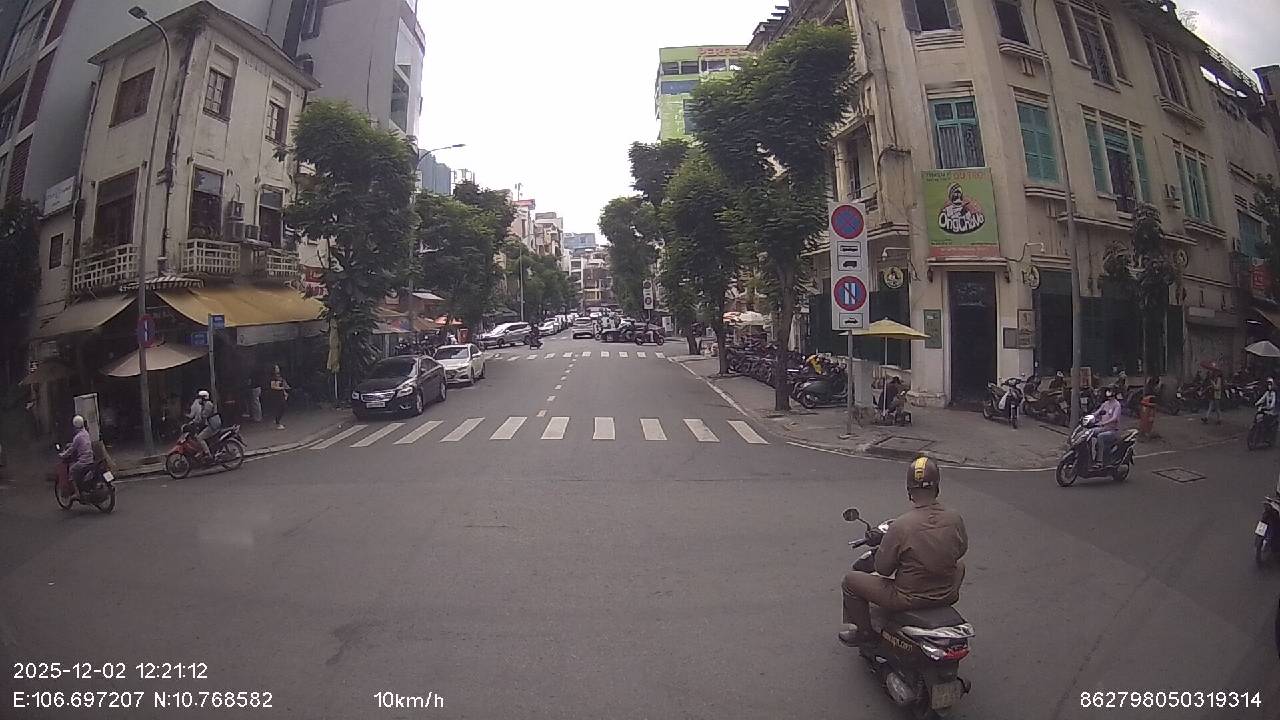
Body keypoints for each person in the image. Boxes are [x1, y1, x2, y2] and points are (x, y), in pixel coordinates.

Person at [838, 457, 968, 647]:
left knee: (850, 581)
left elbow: (882, 569)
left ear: (909, 490)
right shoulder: (954, 518)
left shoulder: (902, 525)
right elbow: (961, 550)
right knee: (959, 565)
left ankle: (864, 633)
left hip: (908, 598)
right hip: (947, 592)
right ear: (937, 486)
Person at [59, 415, 95, 493]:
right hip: (90, 458)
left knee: (71, 471)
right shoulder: (86, 433)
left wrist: (63, 455)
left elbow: (71, 450)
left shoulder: (77, 437)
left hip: (83, 461)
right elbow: (77, 444)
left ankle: (77, 493)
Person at [1092, 388, 1122, 466]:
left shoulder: (1117, 405)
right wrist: (1088, 417)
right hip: (1103, 428)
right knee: (1089, 432)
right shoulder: (1105, 404)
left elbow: (1114, 418)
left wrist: (1104, 423)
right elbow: (1097, 412)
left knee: (1100, 436)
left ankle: (1100, 461)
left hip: (1112, 430)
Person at [188, 390, 222, 459]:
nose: (198, 400)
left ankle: (208, 454)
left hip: (212, 426)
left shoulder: (208, 405)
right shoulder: (205, 404)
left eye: (200, 398)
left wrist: (195, 422)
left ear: (204, 398)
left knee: (199, 438)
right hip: (210, 424)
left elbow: (203, 416)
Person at [268, 365, 290, 430]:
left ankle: (277, 420)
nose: (278, 369)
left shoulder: (279, 376)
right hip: (276, 394)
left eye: (278, 368)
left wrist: (284, 391)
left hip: (281, 393)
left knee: (283, 406)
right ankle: (277, 422)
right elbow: (272, 386)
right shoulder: (273, 377)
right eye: (276, 368)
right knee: (280, 407)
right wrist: (281, 388)